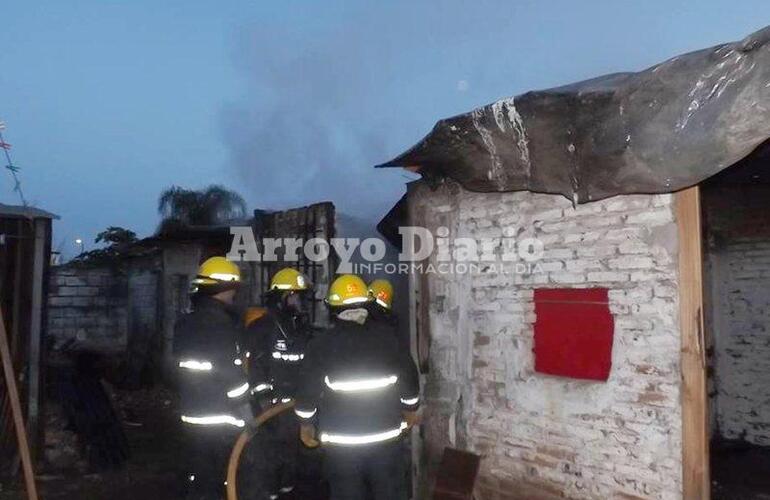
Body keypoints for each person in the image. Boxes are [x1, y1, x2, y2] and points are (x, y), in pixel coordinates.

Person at [295, 274, 421, 500]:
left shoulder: (321, 344)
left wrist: (306, 424)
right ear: (367, 305)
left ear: (333, 308)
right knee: (389, 493)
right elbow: (409, 379)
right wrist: (410, 410)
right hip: (386, 439)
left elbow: (307, 391)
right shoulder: (388, 338)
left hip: (342, 445)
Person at [173, 256, 253, 500]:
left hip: (192, 412)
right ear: (225, 288)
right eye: (233, 289)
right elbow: (230, 372)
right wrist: (246, 410)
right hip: (221, 417)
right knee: (223, 479)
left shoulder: (185, 322)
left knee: (198, 474)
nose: (234, 296)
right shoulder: (221, 325)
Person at [247, 267, 316, 499]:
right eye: (297, 296)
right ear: (284, 297)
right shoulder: (262, 328)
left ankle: (289, 492)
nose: (301, 302)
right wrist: (266, 403)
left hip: (298, 408)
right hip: (273, 411)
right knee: (272, 460)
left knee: (297, 461)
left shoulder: (301, 328)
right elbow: (256, 371)